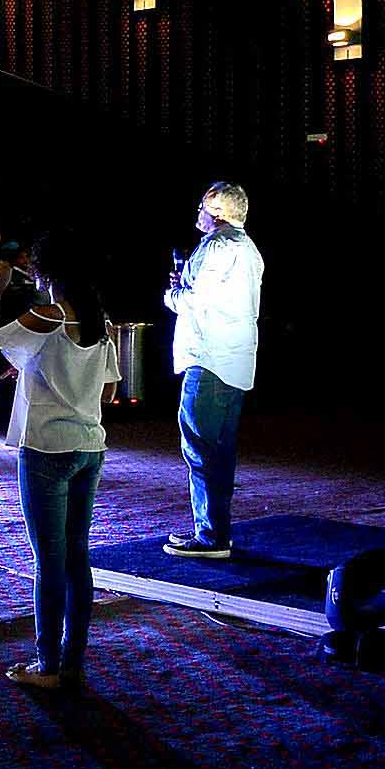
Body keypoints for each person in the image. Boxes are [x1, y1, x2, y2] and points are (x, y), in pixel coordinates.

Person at [0, 235, 120, 690]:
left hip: (46, 448)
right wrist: (42, 372)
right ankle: (72, 660)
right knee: (77, 557)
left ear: (47, 275)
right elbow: (107, 390)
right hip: (89, 446)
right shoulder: (100, 321)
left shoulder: (48, 317)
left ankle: (47, 664)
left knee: (48, 561)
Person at [163, 182, 263, 559]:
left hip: (209, 360)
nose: (198, 216)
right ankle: (217, 530)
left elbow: (194, 301)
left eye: (202, 208)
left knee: (201, 449)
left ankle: (210, 536)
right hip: (235, 360)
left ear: (217, 214)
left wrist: (172, 294)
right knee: (221, 451)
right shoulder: (249, 249)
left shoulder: (215, 245)